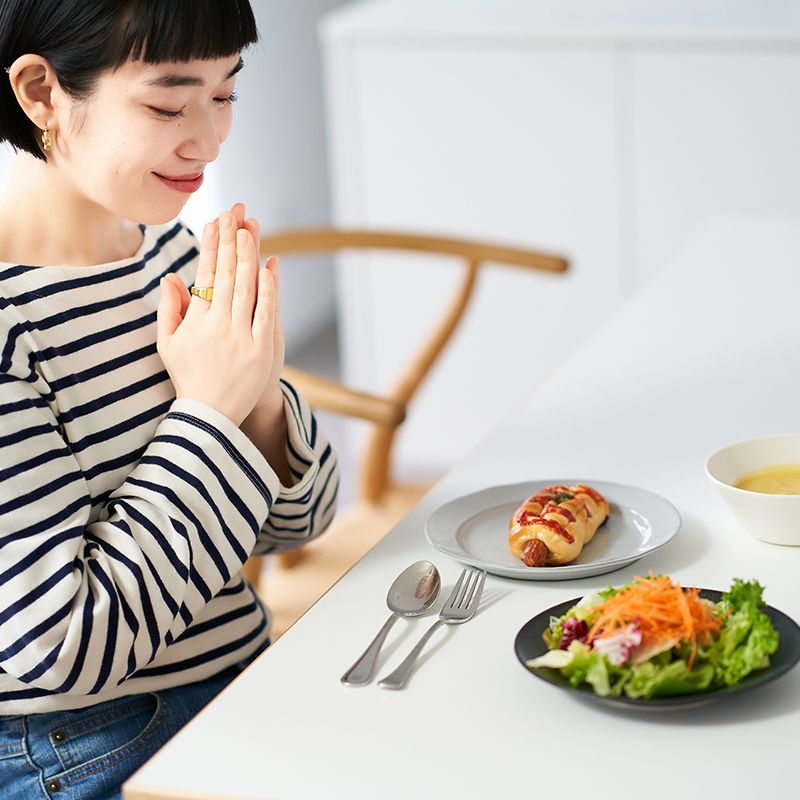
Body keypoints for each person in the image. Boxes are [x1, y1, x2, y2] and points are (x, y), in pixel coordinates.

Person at [0, 1, 339, 797]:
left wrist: (255, 398)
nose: (211, 138)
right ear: (42, 92)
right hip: (88, 747)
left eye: (225, 94)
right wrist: (211, 412)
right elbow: (62, 649)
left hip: (245, 686)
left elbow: (300, 524)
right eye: (166, 103)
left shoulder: (172, 250)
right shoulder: (10, 327)